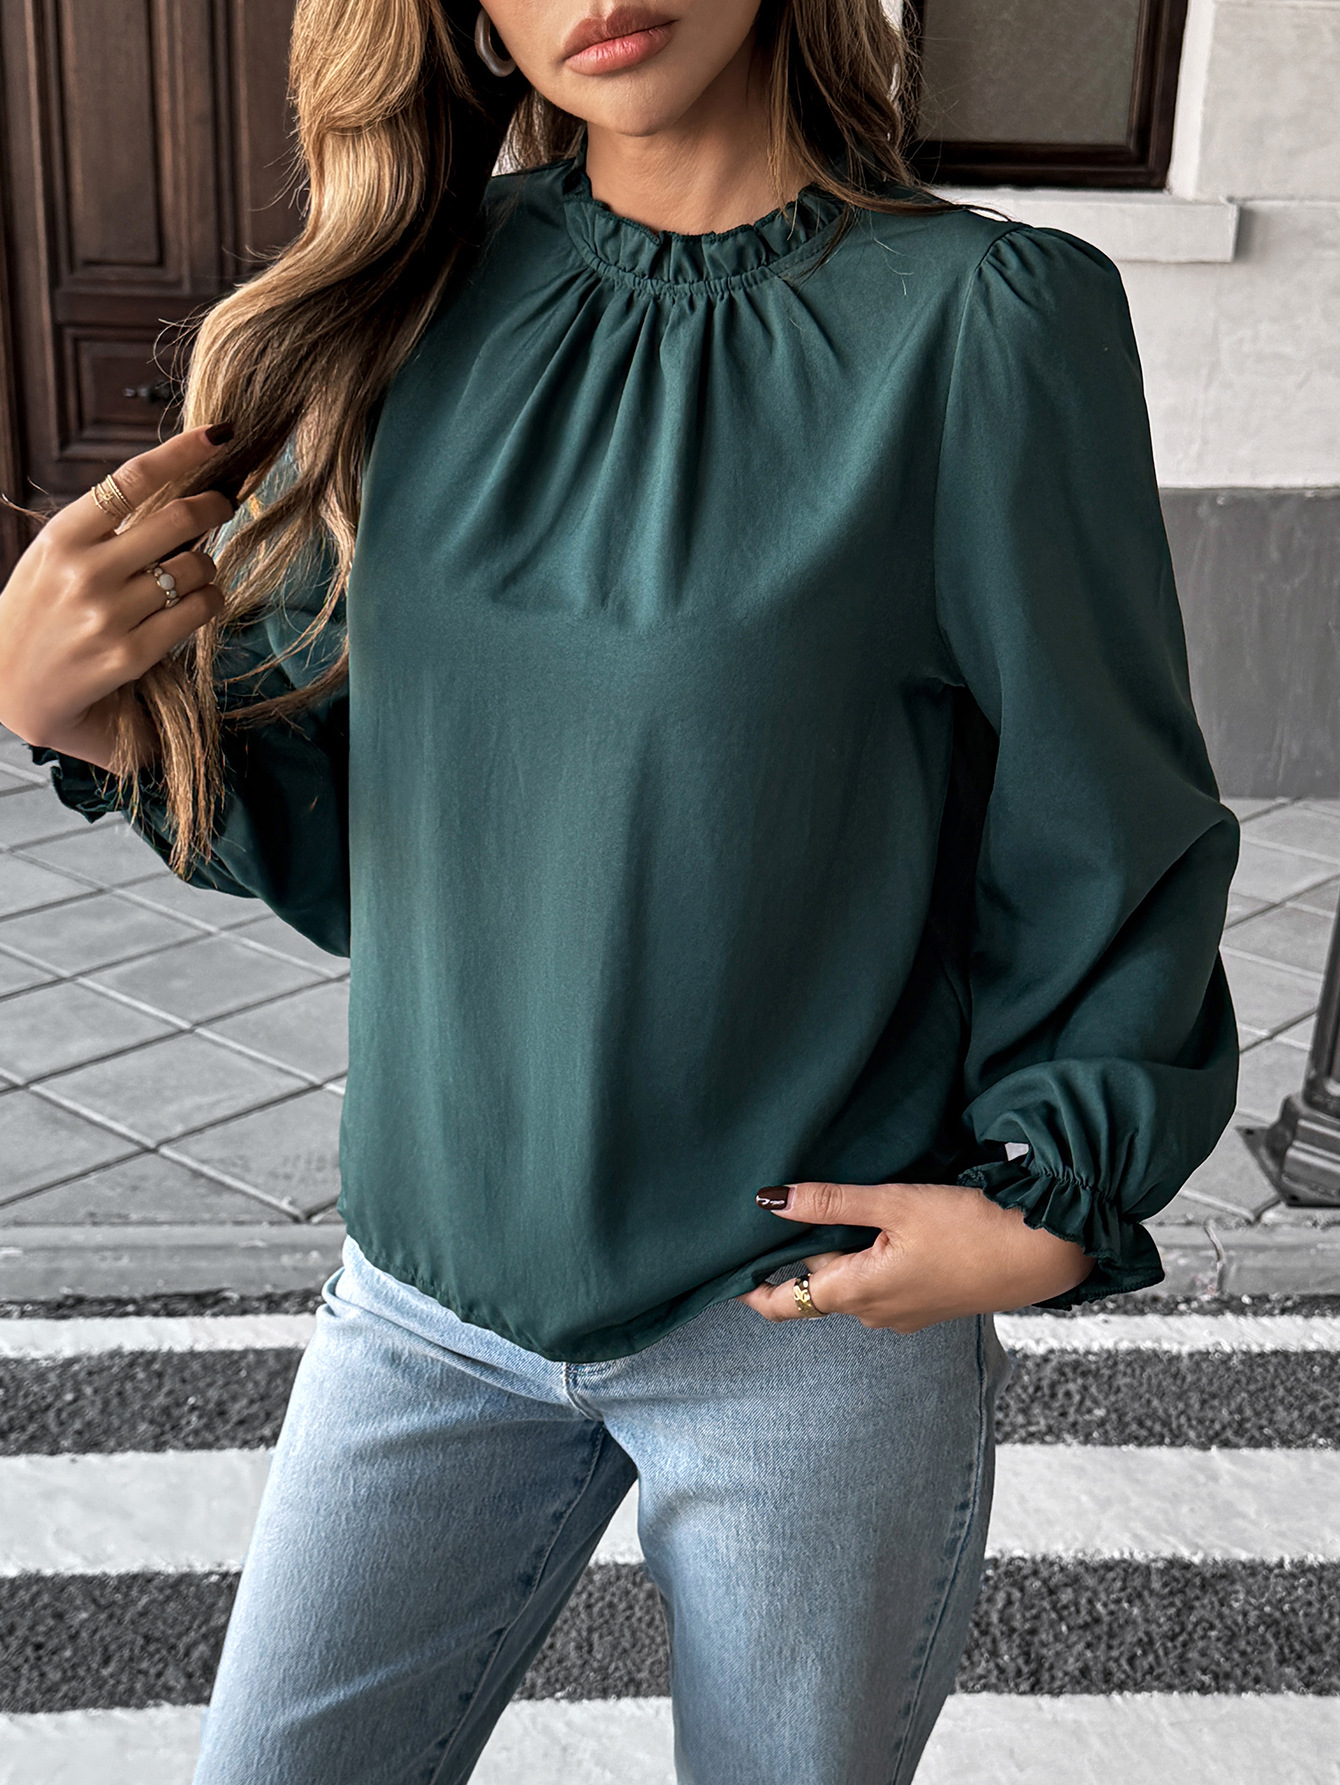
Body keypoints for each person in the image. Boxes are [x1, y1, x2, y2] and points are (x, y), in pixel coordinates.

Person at [0, 1, 1239, 1779]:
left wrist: (1054, 1188)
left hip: (800, 1320)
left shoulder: (983, 323)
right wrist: (93, 711)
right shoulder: (411, 300)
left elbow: (1099, 802)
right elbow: (371, 831)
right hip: (427, 1291)